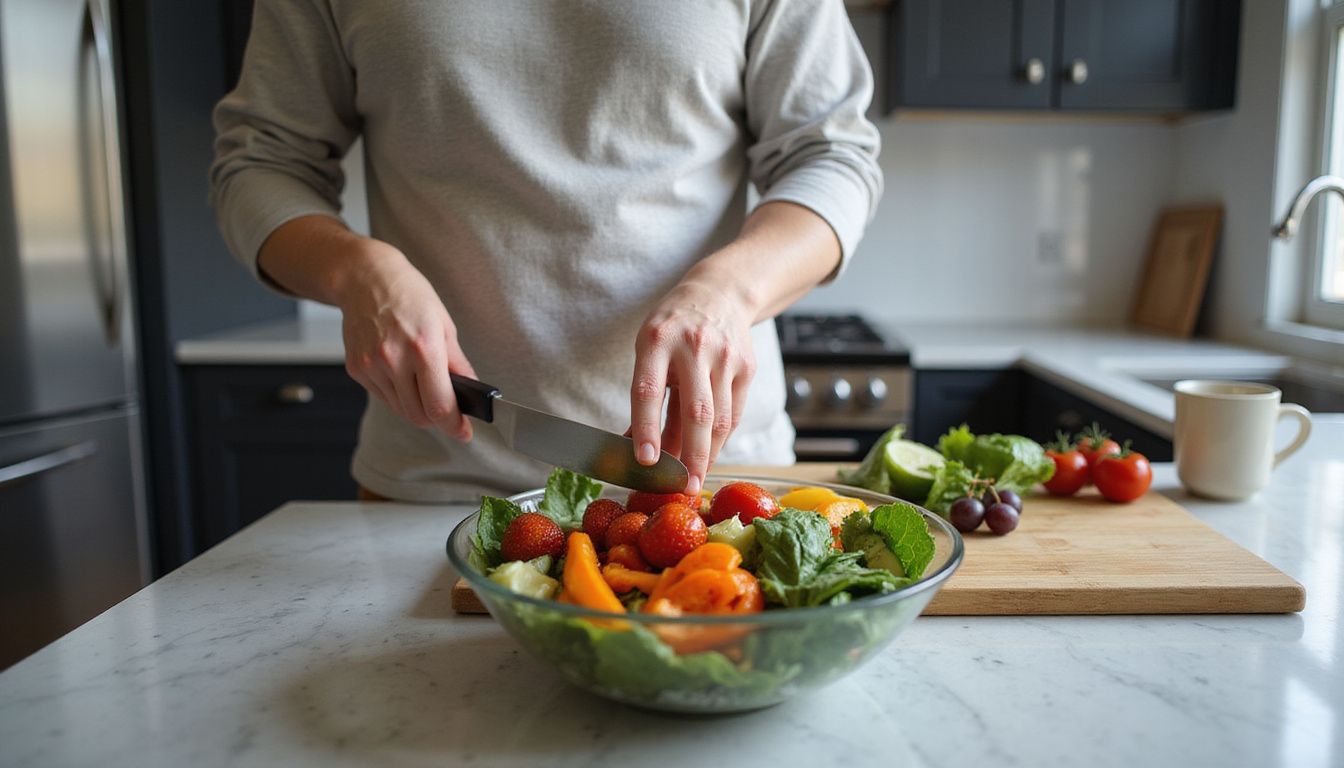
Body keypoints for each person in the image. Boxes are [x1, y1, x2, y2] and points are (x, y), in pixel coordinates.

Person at [210, 1, 882, 502]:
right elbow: (260, 165)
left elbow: (834, 155)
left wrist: (729, 292)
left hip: (713, 482)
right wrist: (360, 273)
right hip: (440, 486)